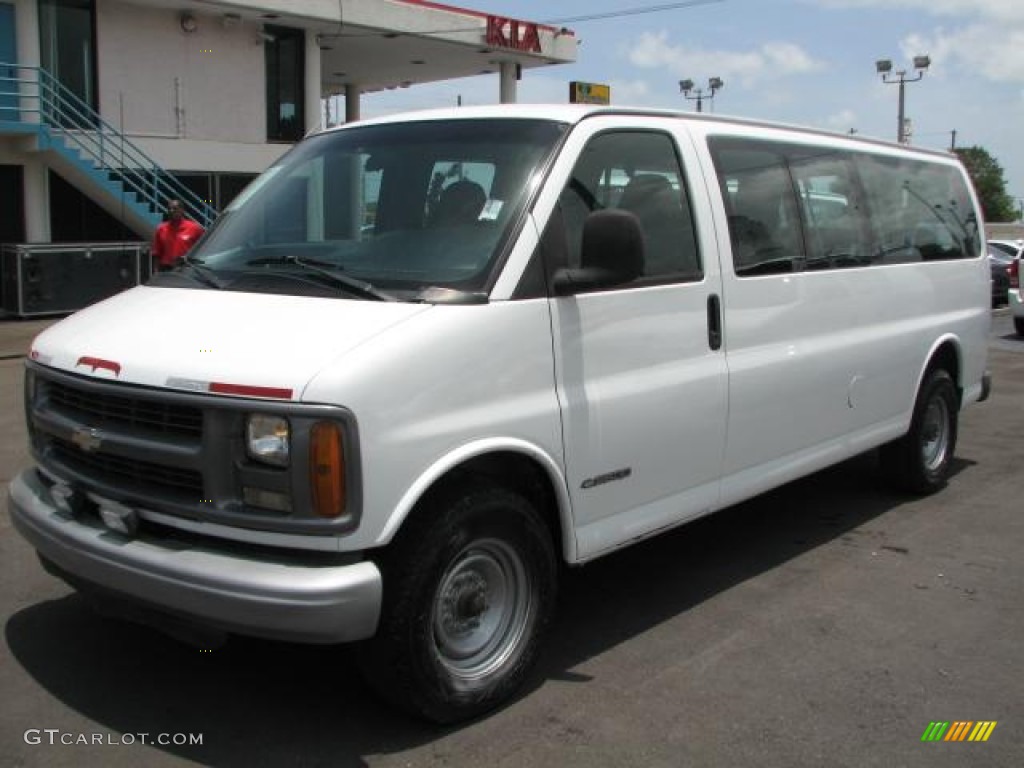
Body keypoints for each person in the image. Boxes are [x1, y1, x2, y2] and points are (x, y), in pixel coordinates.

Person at [151, 199, 204, 272]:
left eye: (175, 208)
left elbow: (203, 250)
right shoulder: (161, 229)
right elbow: (157, 253)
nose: (171, 211)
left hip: (186, 268)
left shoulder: (194, 228)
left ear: (182, 210)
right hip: (166, 268)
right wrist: (156, 271)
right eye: (169, 209)